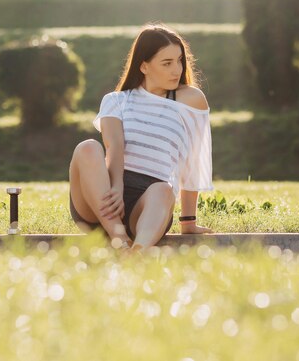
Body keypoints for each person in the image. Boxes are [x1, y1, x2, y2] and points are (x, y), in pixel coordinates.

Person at [68, 23, 214, 252]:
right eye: (166, 63)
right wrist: (116, 187)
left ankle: (137, 252)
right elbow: (114, 147)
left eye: (179, 61)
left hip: (149, 207)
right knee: (87, 147)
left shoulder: (191, 100)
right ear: (144, 66)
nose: (176, 70)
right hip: (102, 199)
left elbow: (192, 163)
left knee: (164, 189)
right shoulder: (116, 100)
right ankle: (120, 240)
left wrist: (188, 221)